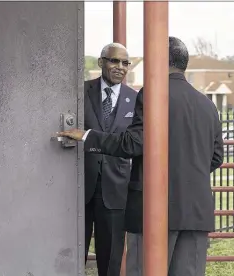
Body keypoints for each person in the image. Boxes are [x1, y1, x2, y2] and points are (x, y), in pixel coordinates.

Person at [59, 36, 224, 276]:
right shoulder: (207, 105)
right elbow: (216, 157)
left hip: (154, 210)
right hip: (196, 211)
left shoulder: (153, 94)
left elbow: (133, 143)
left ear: (160, 60)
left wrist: (87, 136)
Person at [83, 42, 137, 276]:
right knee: (72, 256)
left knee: (111, 261)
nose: (120, 67)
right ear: (101, 62)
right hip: (80, 188)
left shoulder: (136, 99)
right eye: (114, 61)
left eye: (125, 63)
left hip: (116, 191)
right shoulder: (79, 90)